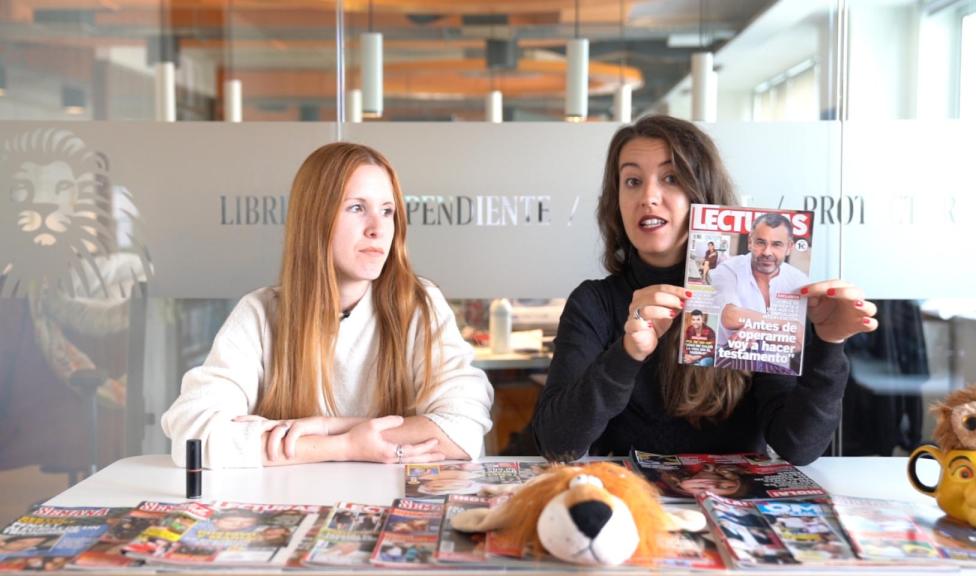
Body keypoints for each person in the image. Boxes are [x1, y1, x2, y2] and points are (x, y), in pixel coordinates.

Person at [530, 115, 877, 465]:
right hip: (635, 507)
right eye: (632, 181)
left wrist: (830, 344)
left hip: (735, 507)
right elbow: (558, 443)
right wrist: (626, 353)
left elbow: (798, 447)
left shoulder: (755, 289)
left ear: (702, 192)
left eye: (670, 178)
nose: (649, 197)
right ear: (616, 203)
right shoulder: (595, 303)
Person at [162, 143, 494, 468]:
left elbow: (463, 430)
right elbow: (194, 436)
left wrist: (325, 427)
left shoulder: (419, 304)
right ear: (315, 219)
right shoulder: (261, 313)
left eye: (387, 211)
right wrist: (345, 446)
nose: (378, 229)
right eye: (357, 208)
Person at [710, 212, 809, 374]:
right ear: (750, 242)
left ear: (789, 247)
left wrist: (760, 330)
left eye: (777, 244)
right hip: (726, 367)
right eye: (761, 243)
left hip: (776, 372)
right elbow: (731, 317)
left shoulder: (798, 280)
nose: (767, 252)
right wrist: (786, 327)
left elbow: (799, 341)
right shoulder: (728, 269)